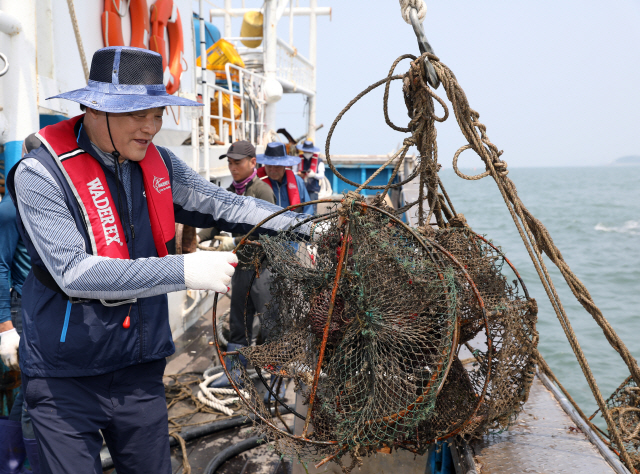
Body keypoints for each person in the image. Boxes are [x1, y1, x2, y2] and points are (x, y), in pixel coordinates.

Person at [5, 46, 312, 474]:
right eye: (136, 113)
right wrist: (183, 269)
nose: (151, 126)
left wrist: (306, 226)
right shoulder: (39, 175)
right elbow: (74, 272)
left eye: (158, 112)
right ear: (94, 108)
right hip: (65, 377)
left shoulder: (162, 163)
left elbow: (227, 205)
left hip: (140, 370)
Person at [197, 141, 276, 389]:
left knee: (270, 325)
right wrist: (197, 239)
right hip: (240, 271)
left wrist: (234, 241)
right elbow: (215, 222)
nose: (232, 168)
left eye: (237, 162)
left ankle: (276, 382)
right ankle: (235, 376)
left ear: (253, 163)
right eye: (229, 163)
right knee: (239, 324)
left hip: (263, 271)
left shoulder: (263, 192)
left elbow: (270, 234)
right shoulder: (229, 193)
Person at [257, 142, 314, 215]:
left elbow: (308, 210)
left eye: (277, 166)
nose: (273, 170)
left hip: (294, 225)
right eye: (269, 166)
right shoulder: (257, 184)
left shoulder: (298, 182)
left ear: (285, 165)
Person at [295, 139, 325, 211]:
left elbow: (321, 175)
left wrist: (313, 175)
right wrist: (298, 174)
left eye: (309, 151)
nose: (307, 153)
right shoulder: (298, 159)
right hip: (300, 189)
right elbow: (292, 173)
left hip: (313, 190)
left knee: (312, 209)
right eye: (305, 151)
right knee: (299, 209)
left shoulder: (319, 161)